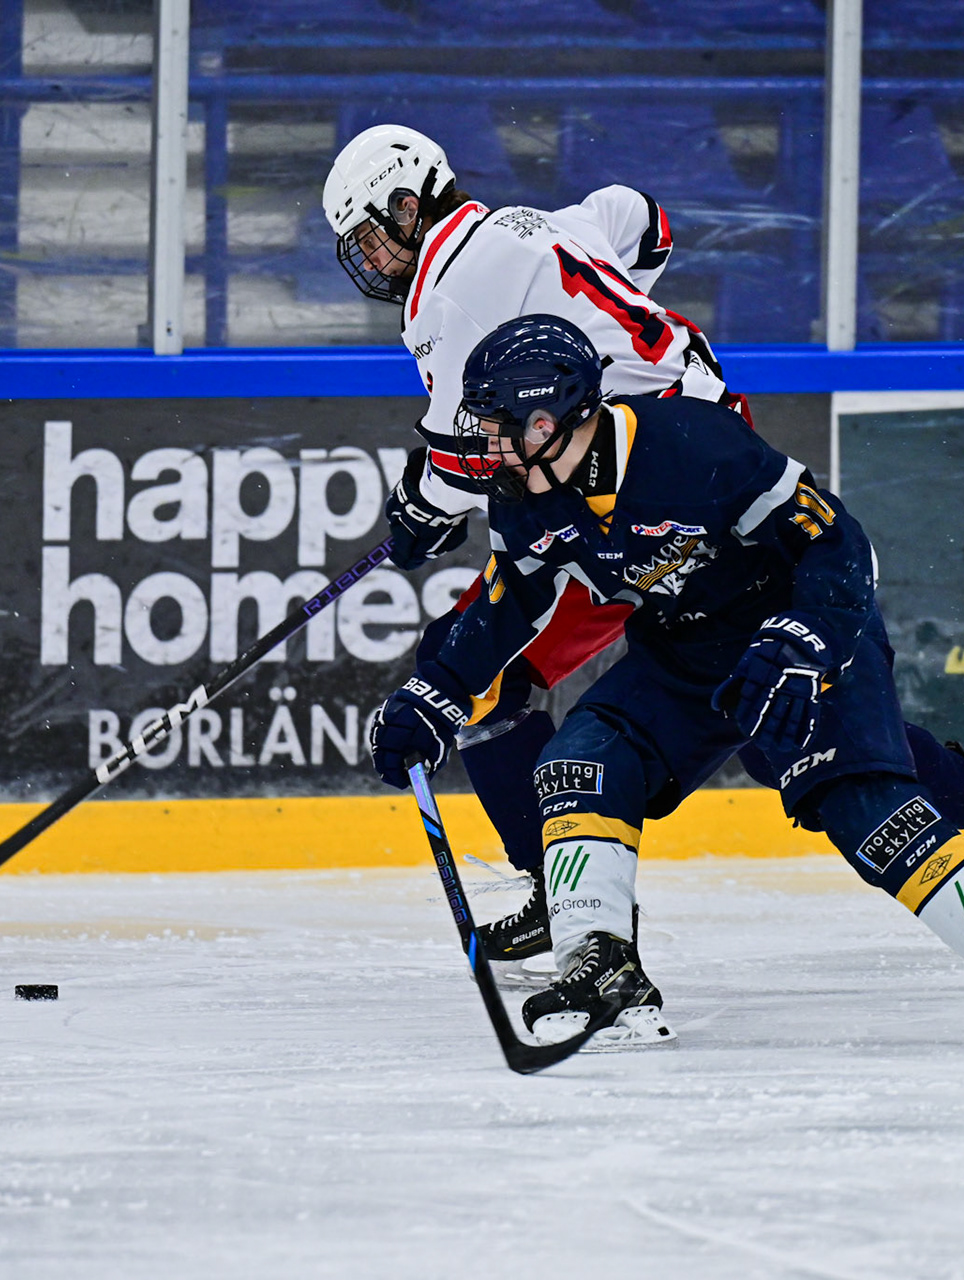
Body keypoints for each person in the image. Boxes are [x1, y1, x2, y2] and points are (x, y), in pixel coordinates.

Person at [367, 315, 964, 1051]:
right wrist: (436, 692)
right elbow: (508, 606)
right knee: (579, 764)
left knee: (861, 805)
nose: (487, 444)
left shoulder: (693, 444)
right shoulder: (525, 496)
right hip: (686, 654)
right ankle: (603, 972)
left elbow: (838, 543)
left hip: (801, 633)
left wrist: (802, 641)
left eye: (500, 426)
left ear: (549, 421)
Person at [322, 123, 751, 967]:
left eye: (370, 235)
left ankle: (563, 892)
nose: (368, 259)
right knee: (783, 710)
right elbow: (643, 220)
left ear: (408, 206)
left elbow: (465, 461)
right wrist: (610, 336)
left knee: (469, 669)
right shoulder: (538, 226)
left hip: (642, 492)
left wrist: (418, 513)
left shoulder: (447, 291)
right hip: (702, 450)